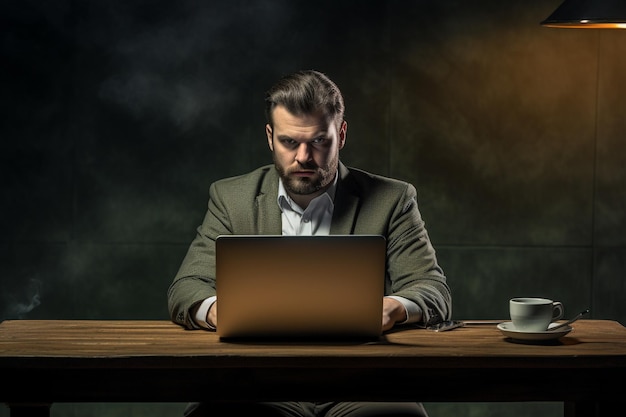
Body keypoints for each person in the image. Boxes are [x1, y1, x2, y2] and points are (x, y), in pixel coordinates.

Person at [168, 69, 452, 417]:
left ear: (341, 135)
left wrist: (392, 307)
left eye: (319, 141)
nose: (303, 156)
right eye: (290, 142)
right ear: (270, 137)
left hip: (363, 384)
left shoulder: (393, 198)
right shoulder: (231, 198)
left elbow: (433, 288)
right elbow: (187, 287)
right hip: (255, 382)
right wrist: (216, 310)